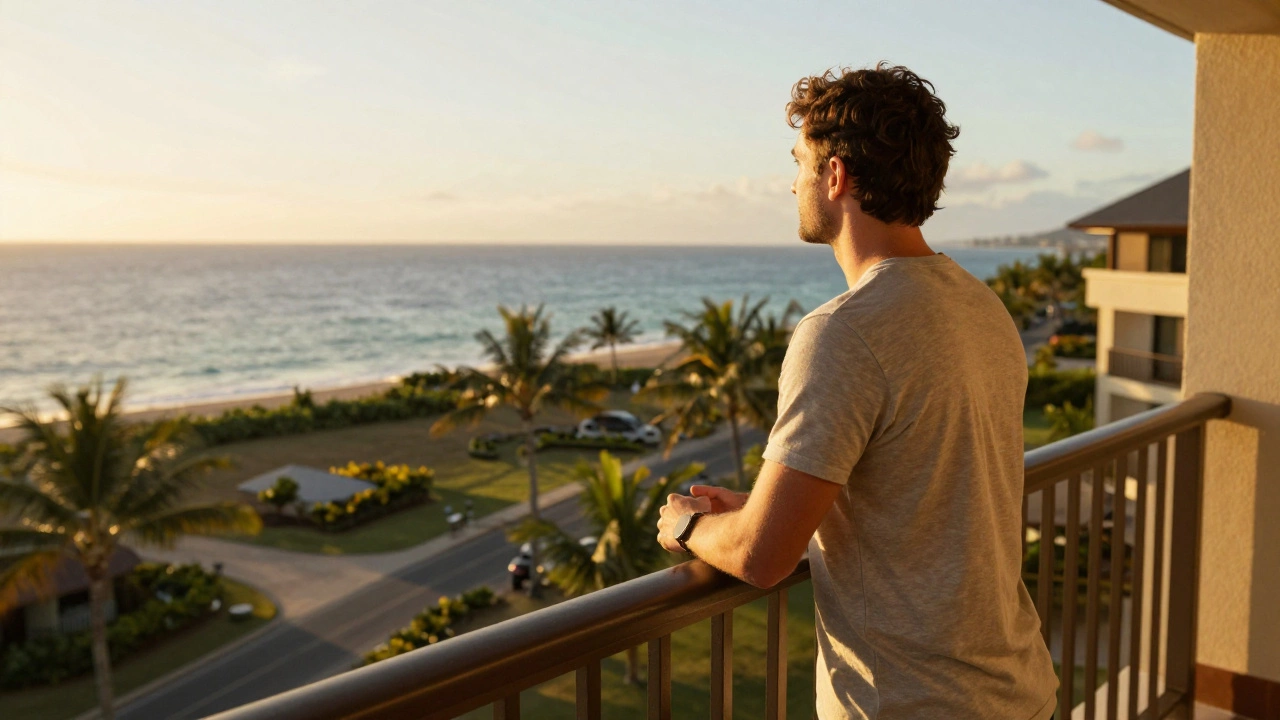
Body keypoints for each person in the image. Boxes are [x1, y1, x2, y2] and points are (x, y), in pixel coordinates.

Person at [656, 64, 1059, 719]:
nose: (793, 183)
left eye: (799, 163)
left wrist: (690, 524)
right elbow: (920, 495)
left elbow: (761, 558)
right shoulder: (981, 307)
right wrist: (762, 508)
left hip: (912, 705)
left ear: (835, 175)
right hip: (1017, 692)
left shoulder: (843, 332)